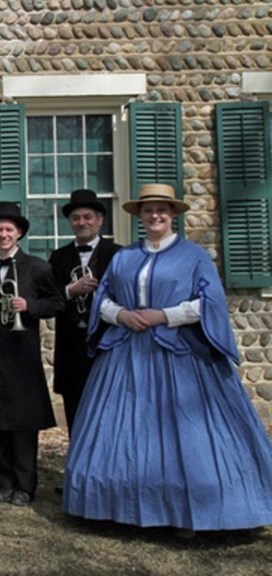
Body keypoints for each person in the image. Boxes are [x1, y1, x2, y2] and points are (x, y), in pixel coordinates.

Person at [64, 184, 272, 534]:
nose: (155, 216)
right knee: (126, 434)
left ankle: (191, 512)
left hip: (181, 356)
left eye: (162, 210)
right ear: (139, 217)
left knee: (187, 437)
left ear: (173, 214)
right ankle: (119, 509)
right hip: (126, 356)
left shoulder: (194, 256)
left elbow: (209, 303)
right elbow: (103, 299)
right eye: (148, 211)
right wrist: (123, 316)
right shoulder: (125, 257)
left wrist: (164, 316)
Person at [0, 202, 64, 507]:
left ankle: (25, 485)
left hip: (21, 356)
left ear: (19, 232)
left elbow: (56, 302)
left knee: (21, 424)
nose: (4, 234)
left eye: (9, 229)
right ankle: (5, 480)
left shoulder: (37, 266)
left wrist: (29, 307)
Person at [48, 190, 121, 436]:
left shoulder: (118, 254)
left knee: (109, 407)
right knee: (75, 408)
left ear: (100, 220)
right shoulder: (58, 257)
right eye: (76, 218)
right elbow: (49, 299)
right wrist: (71, 290)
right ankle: (77, 466)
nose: (82, 222)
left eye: (88, 217)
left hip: (106, 341)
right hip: (70, 346)